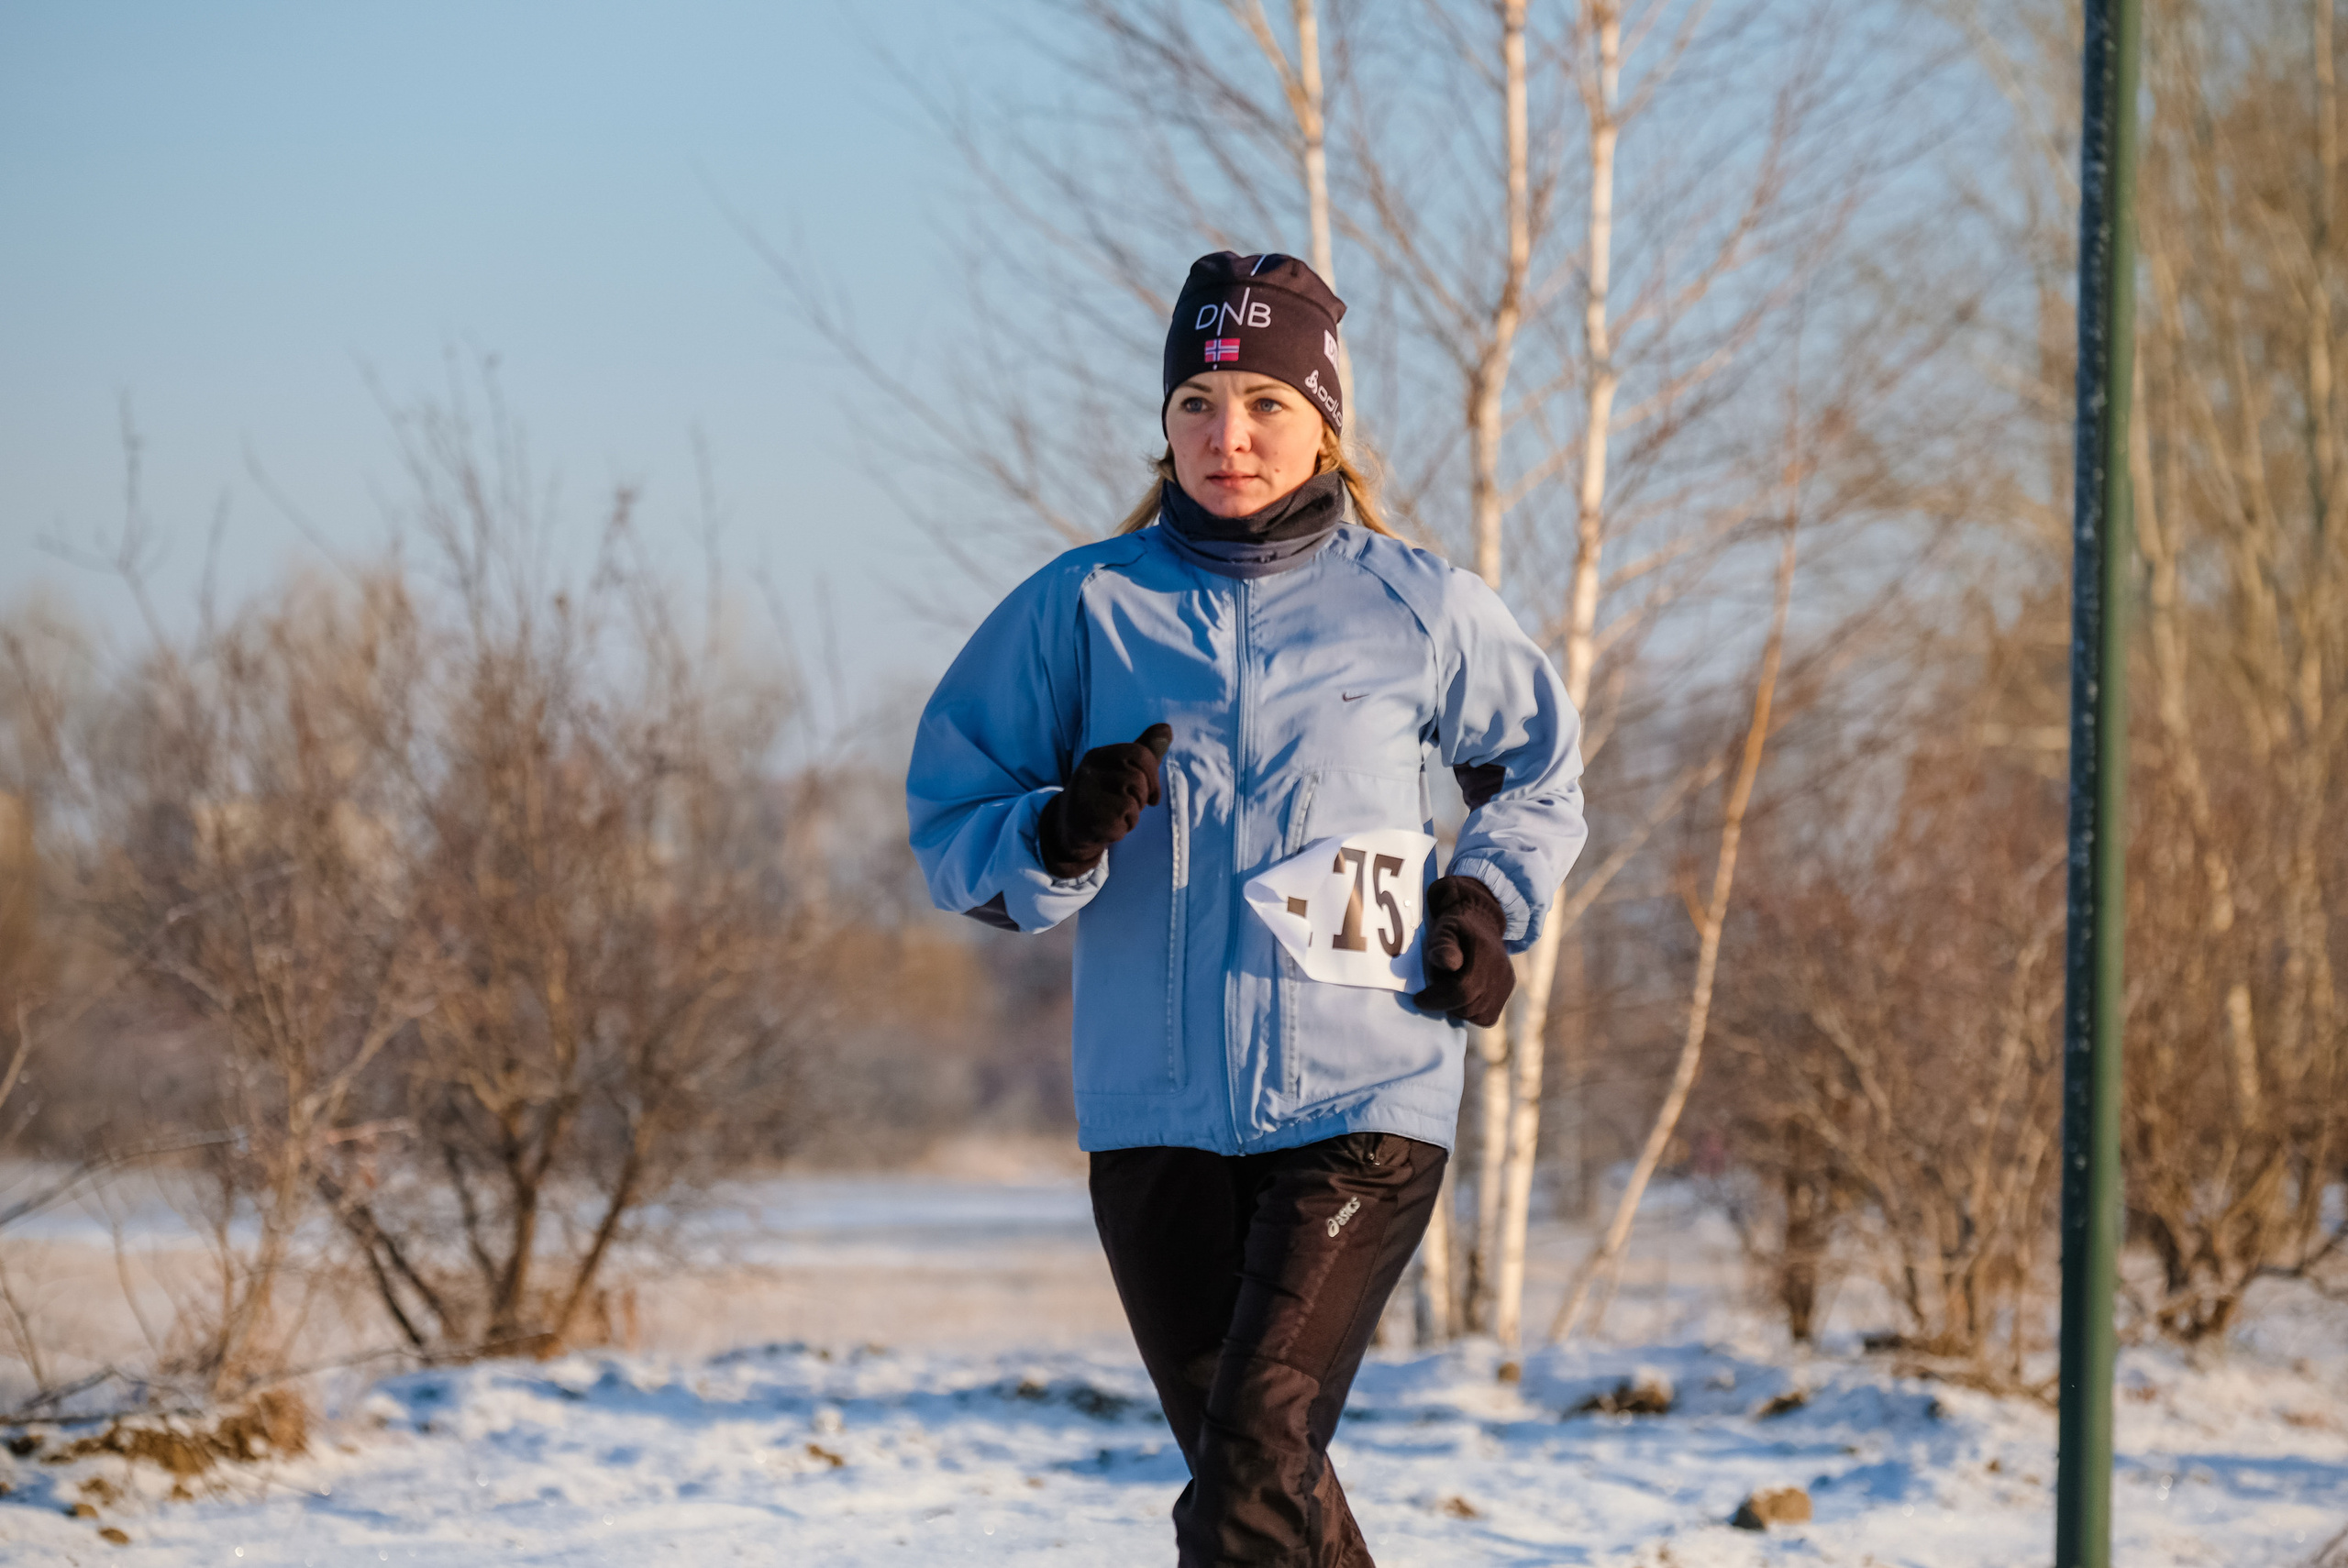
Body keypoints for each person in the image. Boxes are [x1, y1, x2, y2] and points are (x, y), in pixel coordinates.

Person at [907, 251, 1586, 1566]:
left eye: (1267, 404)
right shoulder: (1085, 608)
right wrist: (1055, 830)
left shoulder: (1420, 606)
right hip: (1154, 1116)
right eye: (1199, 405)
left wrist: (1486, 904)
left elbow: (1539, 775)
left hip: (1362, 1107)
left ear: (1326, 421)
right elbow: (949, 821)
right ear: (1163, 424)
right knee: (1271, 1489)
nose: (1231, 437)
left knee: (1248, 1479)